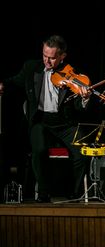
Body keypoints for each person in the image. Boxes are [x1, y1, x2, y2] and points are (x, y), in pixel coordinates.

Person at [0, 35, 93, 203]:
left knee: (82, 152)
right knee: (39, 151)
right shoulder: (31, 67)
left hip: (64, 123)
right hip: (40, 121)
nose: (47, 61)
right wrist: (3, 84)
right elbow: (14, 81)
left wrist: (85, 97)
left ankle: (74, 194)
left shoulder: (72, 74)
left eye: (51, 57)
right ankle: (43, 193)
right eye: (44, 55)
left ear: (62, 56)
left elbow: (79, 107)